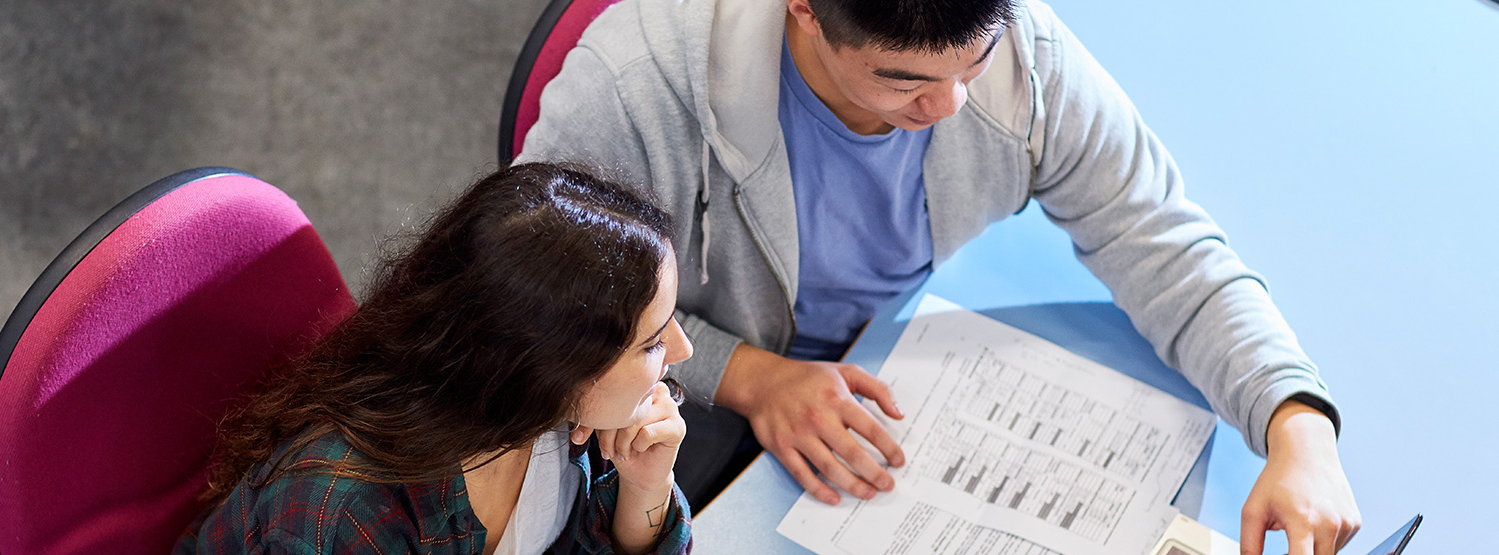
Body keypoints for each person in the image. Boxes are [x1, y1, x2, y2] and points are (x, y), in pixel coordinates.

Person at [517, 1, 1361, 554]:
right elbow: (546, 308)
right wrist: (748, 377)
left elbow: (1160, 238)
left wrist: (1297, 424)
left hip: (878, 372)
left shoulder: (1021, 56)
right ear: (803, 10)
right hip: (666, 385)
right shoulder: (632, 85)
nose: (953, 107)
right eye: (904, 79)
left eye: (973, 63)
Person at [175, 163, 695, 555]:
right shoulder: (344, 509)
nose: (682, 350)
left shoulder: (564, 420)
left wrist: (645, 486)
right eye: (651, 343)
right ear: (550, 371)